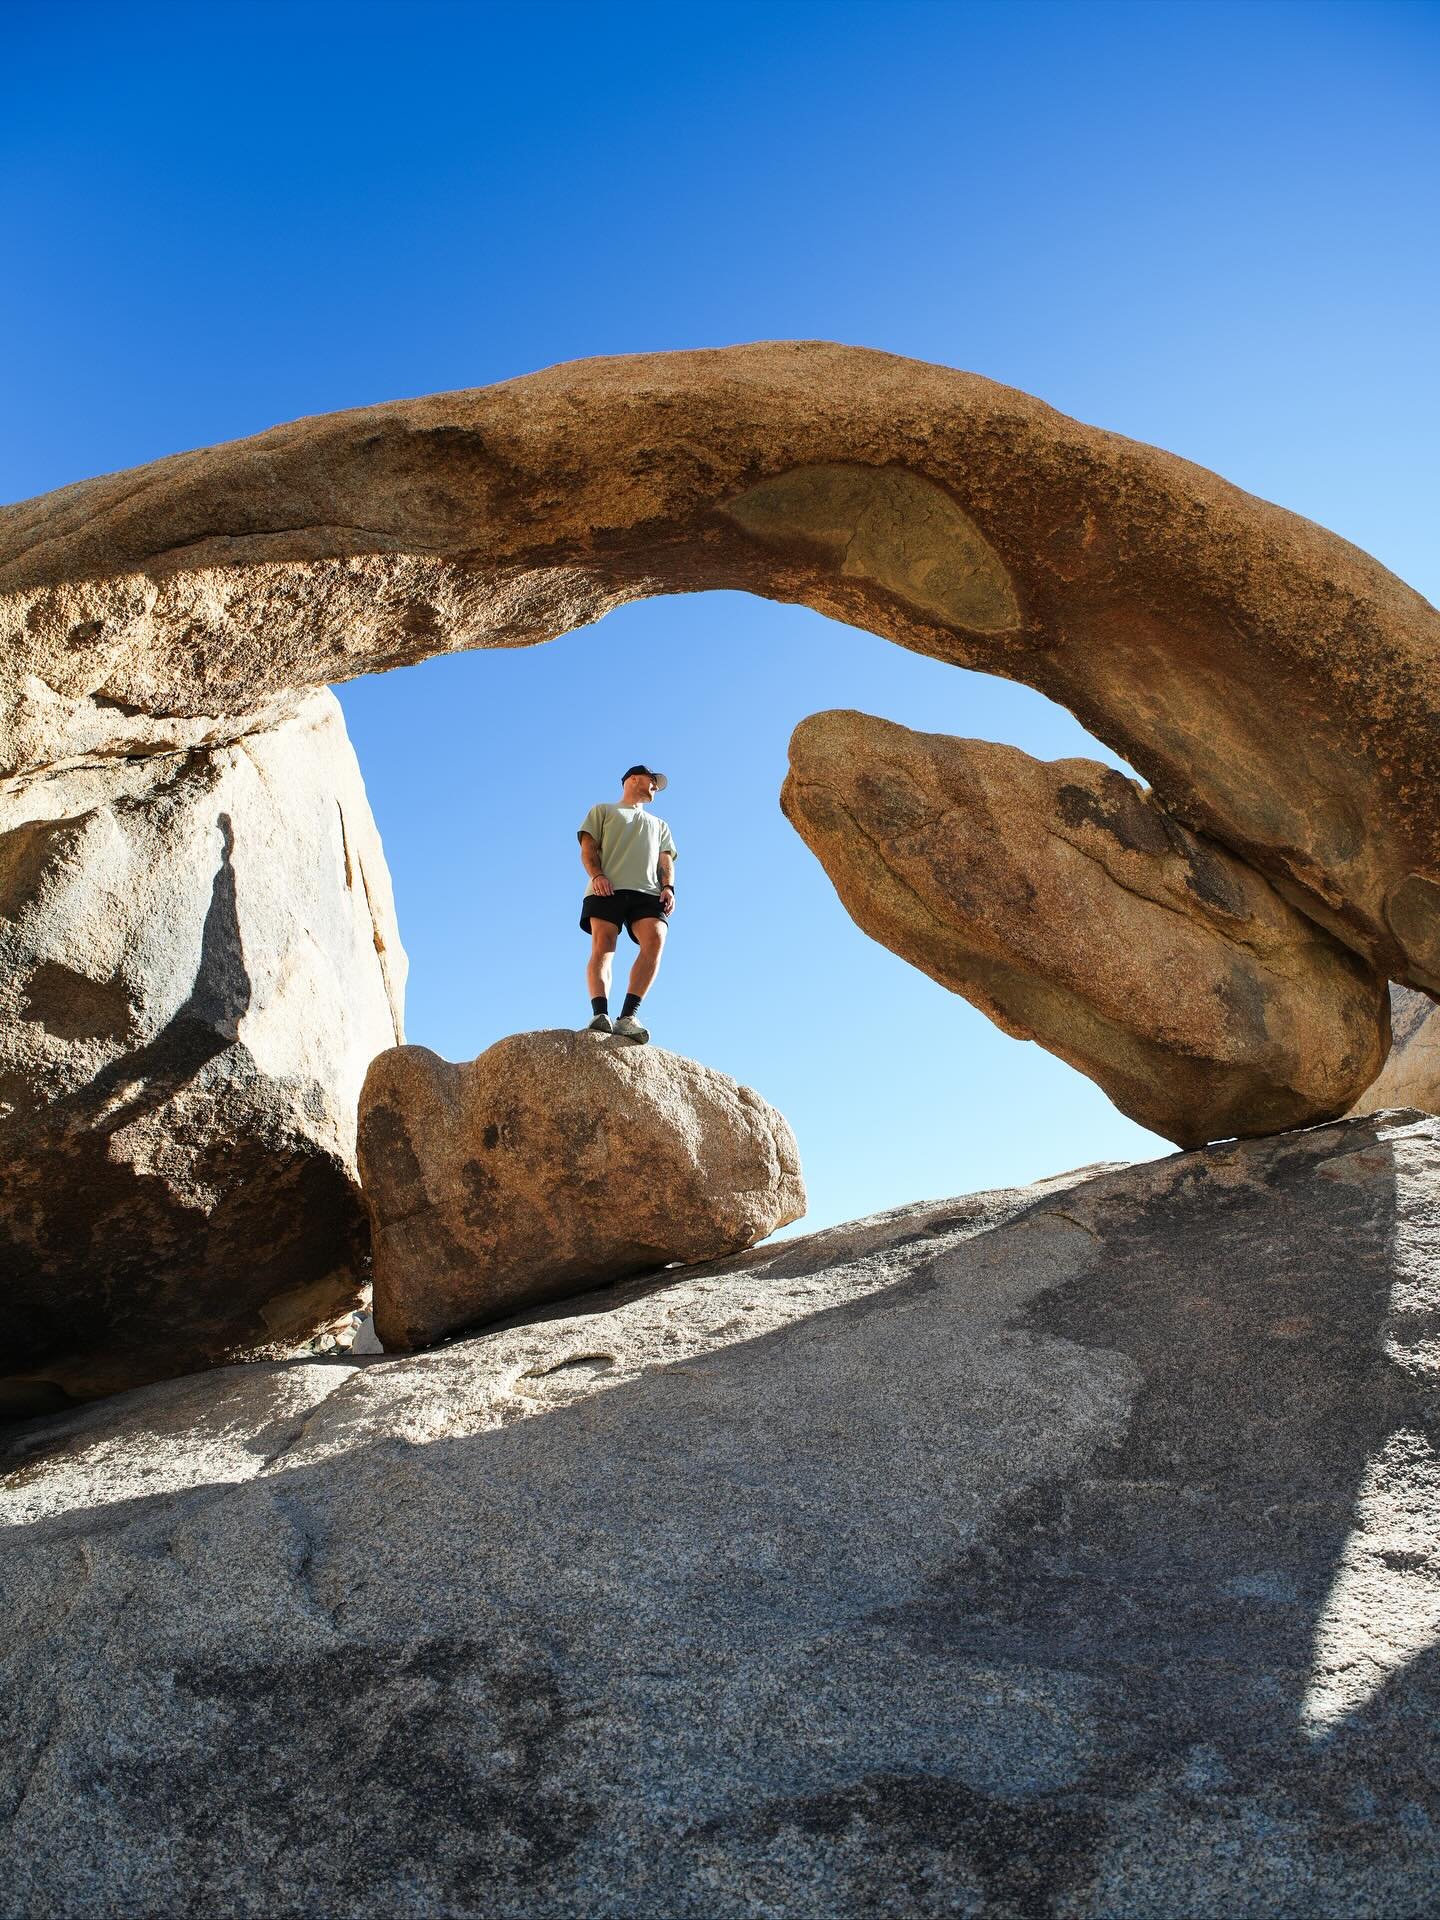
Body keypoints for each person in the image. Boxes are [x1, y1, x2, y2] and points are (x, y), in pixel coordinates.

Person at [577, 764, 677, 1043]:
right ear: (633, 779)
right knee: (604, 945)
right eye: (651, 780)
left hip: (648, 892)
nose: (655, 786)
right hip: (607, 887)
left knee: (656, 939)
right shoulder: (602, 811)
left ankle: (627, 1017)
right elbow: (588, 849)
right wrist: (597, 875)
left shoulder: (660, 825)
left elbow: (666, 860)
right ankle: (600, 1014)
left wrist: (668, 887)